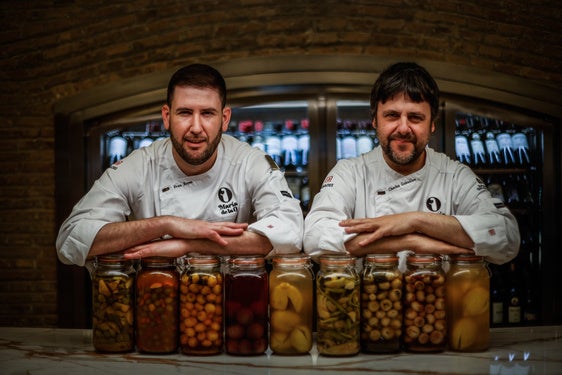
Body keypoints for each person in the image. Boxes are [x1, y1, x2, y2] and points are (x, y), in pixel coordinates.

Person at [56, 63, 303, 266]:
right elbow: (71, 239)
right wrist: (166, 224)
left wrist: (190, 243)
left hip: (232, 307)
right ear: (167, 116)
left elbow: (290, 233)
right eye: (185, 113)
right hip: (155, 305)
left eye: (207, 113)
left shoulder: (249, 162)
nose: (196, 128)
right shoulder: (140, 165)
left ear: (224, 119)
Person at [303, 62, 519, 265]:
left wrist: (416, 221)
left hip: (439, 303)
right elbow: (315, 236)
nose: (403, 128)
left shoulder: (454, 175)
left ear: (432, 124)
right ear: (375, 121)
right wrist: (410, 242)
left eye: (415, 117)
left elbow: (507, 237)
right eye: (392, 116)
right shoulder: (350, 173)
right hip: (365, 303)